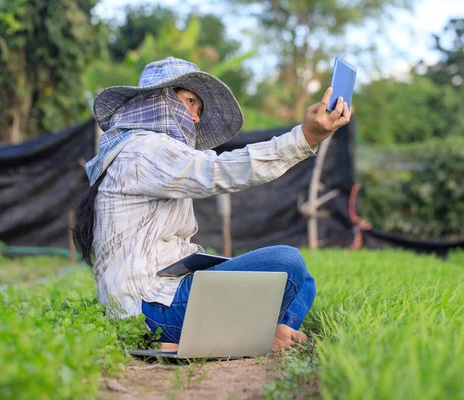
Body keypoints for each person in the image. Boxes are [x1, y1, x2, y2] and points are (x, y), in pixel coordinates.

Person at [73, 57, 350, 352]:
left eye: (199, 110)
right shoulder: (143, 151)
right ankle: (251, 335)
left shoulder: (153, 151)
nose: (194, 117)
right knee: (287, 262)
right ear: (157, 98)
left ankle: (272, 332)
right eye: (190, 101)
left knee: (302, 280)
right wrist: (304, 138)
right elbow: (218, 171)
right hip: (148, 308)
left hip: (167, 294)